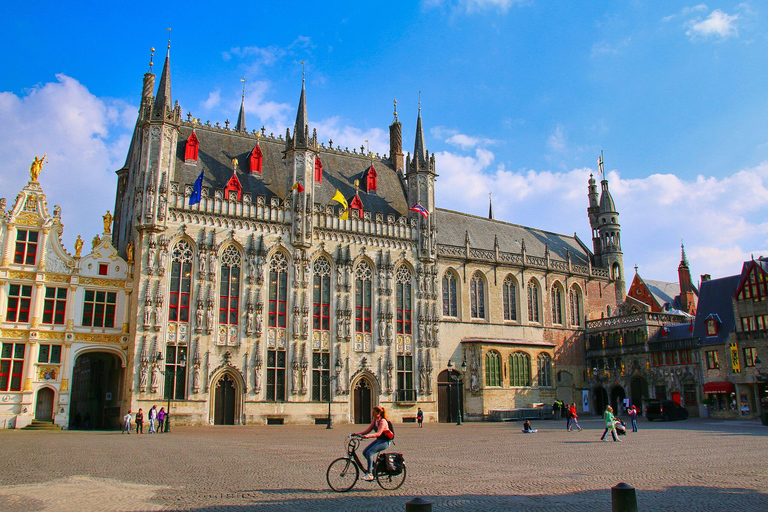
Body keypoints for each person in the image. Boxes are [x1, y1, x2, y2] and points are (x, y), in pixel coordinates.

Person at [353, 406, 393, 482]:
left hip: (385, 442)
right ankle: (376, 468)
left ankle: (370, 473)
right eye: (372, 412)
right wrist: (358, 434)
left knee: (369, 453)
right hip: (379, 440)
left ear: (379, 413)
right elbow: (368, 429)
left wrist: (367, 436)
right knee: (365, 452)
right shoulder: (375, 420)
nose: (372, 414)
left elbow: (378, 433)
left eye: (374, 412)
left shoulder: (383, 421)